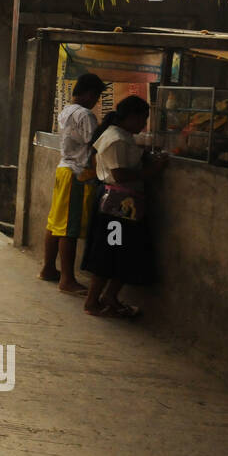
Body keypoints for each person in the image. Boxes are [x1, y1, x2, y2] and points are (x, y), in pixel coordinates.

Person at [80, 95, 168, 319]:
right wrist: (152, 171)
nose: (144, 125)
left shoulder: (122, 136)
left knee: (124, 252)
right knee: (109, 253)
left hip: (124, 204)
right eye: (142, 119)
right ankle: (93, 301)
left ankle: (109, 297)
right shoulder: (116, 138)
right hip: (118, 204)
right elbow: (119, 174)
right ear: (131, 117)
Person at [40, 73, 105, 296]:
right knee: (68, 228)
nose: (96, 101)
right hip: (78, 173)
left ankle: (49, 268)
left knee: (55, 222)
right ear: (89, 94)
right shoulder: (86, 115)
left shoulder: (67, 110)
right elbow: (97, 143)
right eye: (96, 96)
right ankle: (67, 279)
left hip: (64, 168)